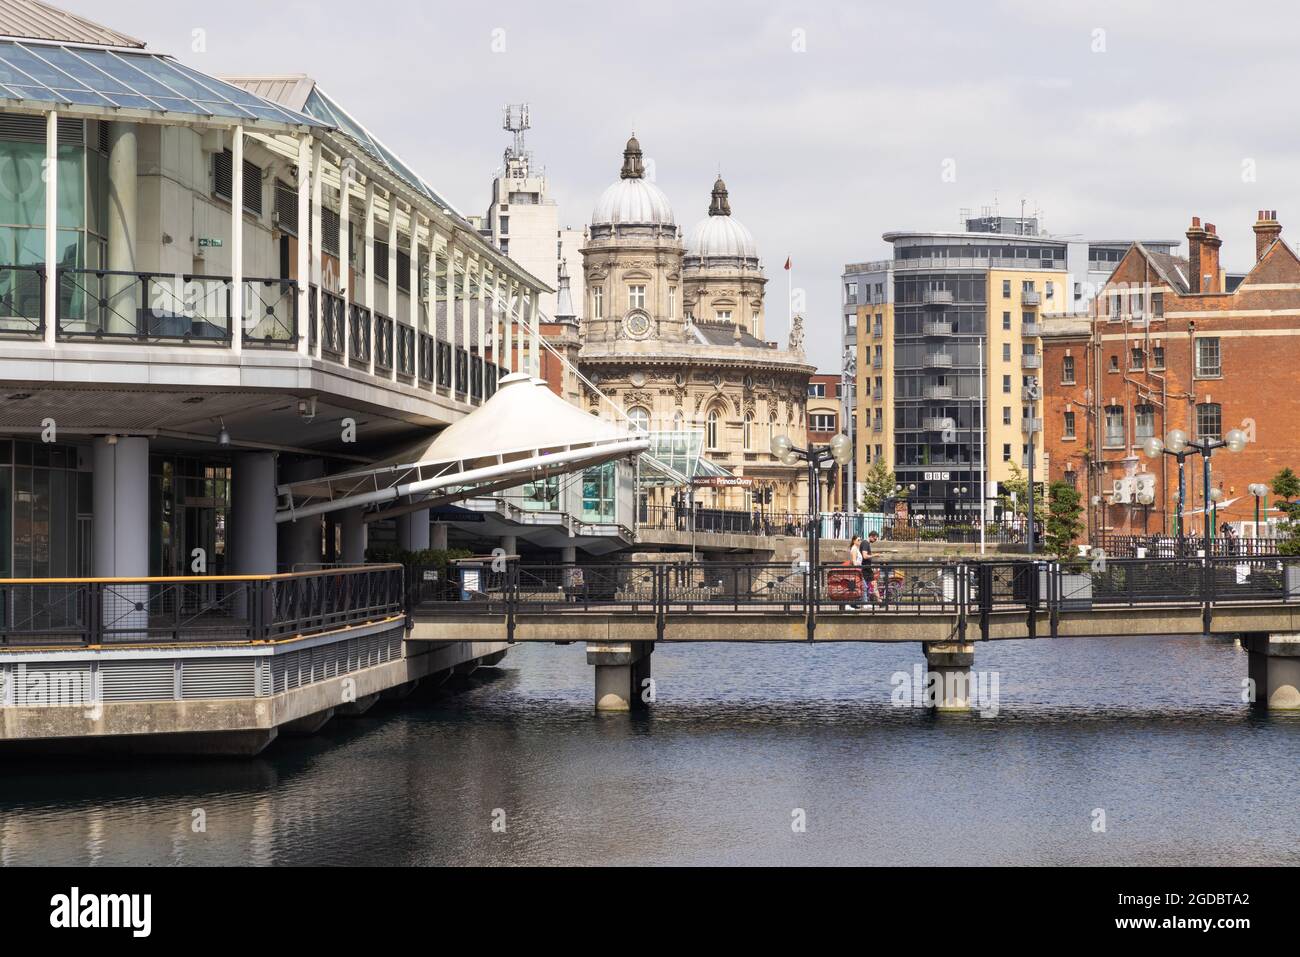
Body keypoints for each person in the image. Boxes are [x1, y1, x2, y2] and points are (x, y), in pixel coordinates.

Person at [847, 534, 865, 609]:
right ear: (854, 541)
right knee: (855, 586)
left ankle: (854, 603)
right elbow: (854, 560)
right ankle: (850, 603)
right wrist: (857, 568)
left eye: (860, 540)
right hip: (855, 570)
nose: (860, 541)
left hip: (858, 570)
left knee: (857, 586)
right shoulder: (854, 549)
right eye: (858, 540)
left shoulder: (856, 548)